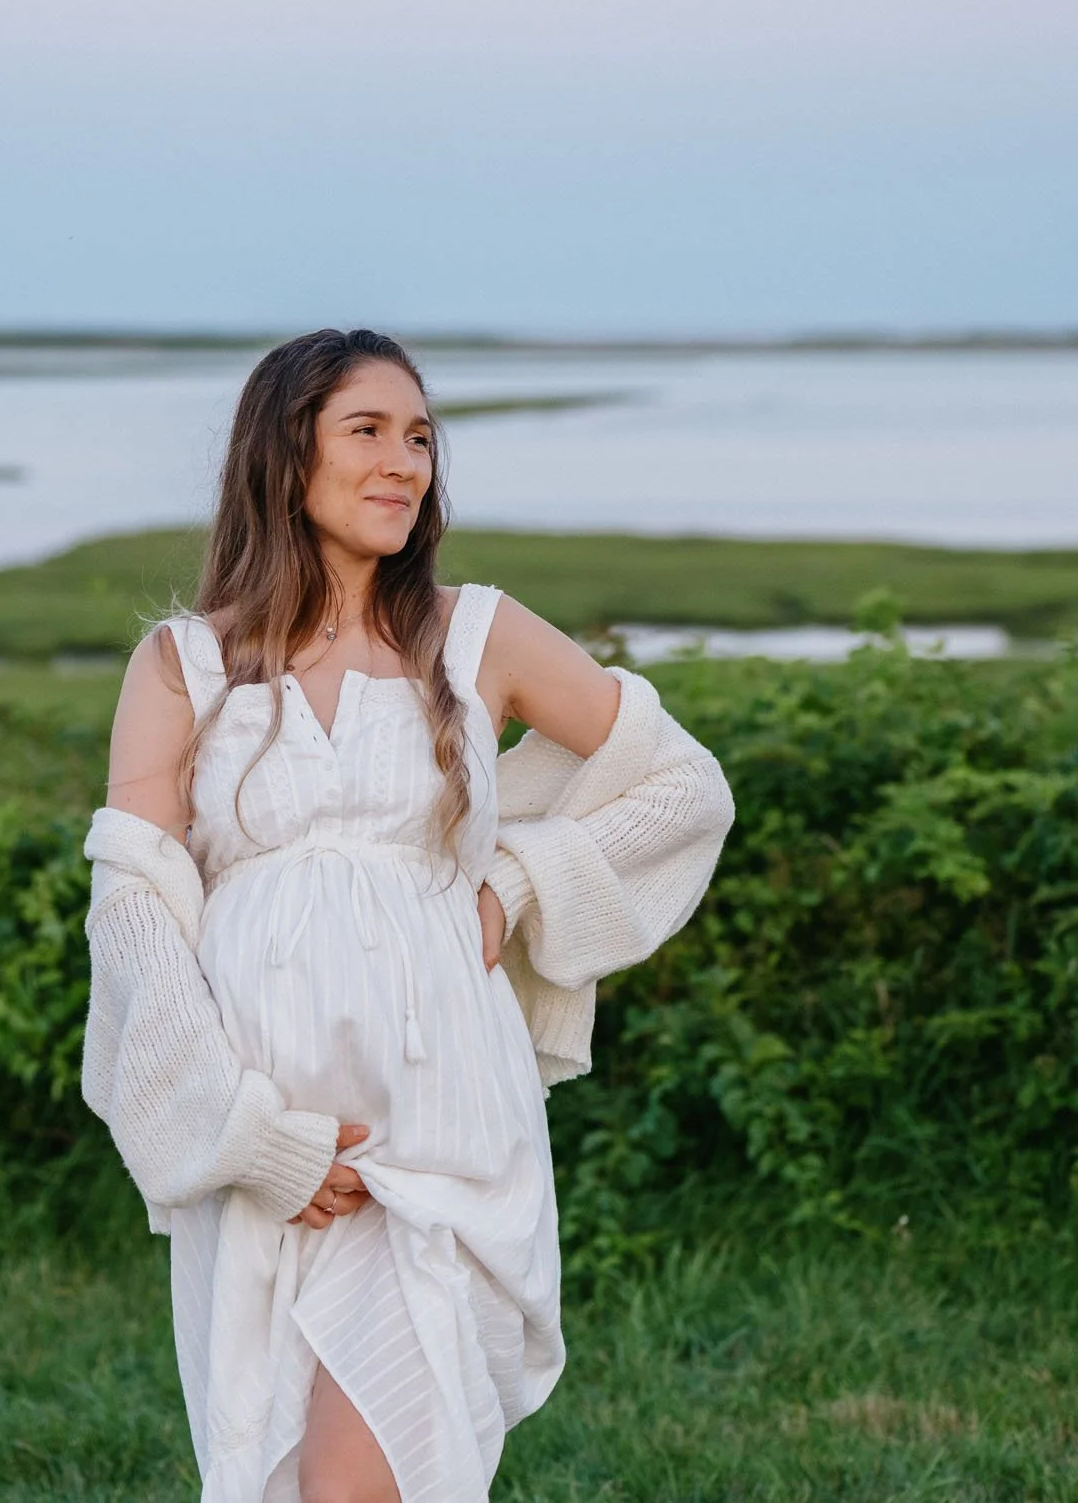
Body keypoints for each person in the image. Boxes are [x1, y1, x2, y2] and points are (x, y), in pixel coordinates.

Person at [81, 328, 733, 1502]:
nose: (406, 463)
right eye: (367, 431)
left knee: (356, 1481)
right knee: (281, 1470)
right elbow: (134, 910)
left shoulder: (472, 633)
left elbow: (682, 785)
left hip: (438, 1127)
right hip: (274, 1138)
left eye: (421, 435)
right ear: (286, 453)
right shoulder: (184, 663)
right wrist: (245, 1135)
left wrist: (523, 882)